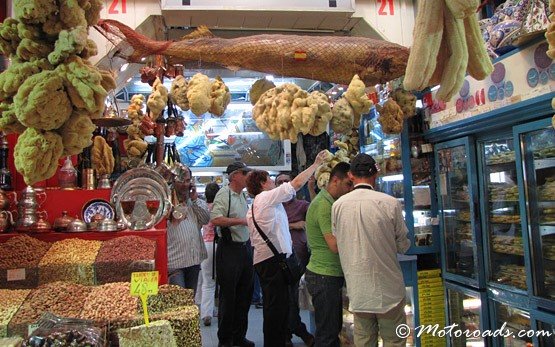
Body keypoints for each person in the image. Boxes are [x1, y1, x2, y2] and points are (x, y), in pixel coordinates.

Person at [246, 150, 328, 347]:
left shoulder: (261, 203)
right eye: (271, 179)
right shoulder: (265, 198)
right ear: (263, 184)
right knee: (275, 311)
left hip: (270, 262)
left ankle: (281, 340)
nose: (276, 183)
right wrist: (316, 164)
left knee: (279, 309)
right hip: (273, 263)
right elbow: (295, 184)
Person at [332, 153, 410, 347]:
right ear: (376, 173)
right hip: (389, 289)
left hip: (359, 289)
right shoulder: (390, 203)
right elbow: (403, 244)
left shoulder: (338, 206)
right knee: (394, 341)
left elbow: (338, 238)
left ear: (350, 175)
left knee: (364, 341)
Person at [305, 162, 353, 347]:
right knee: (328, 334)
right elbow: (334, 245)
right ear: (335, 180)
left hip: (328, 275)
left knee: (331, 331)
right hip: (324, 276)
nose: (351, 189)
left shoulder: (329, 202)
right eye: (348, 184)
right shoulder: (324, 205)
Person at [210, 161, 254, 347]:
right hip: (229, 250)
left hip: (244, 249)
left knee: (244, 295)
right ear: (235, 175)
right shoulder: (224, 194)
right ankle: (225, 340)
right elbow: (216, 219)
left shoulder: (242, 195)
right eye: (245, 173)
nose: (248, 176)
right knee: (228, 297)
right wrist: (242, 221)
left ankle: (239, 336)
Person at [275, 172, 314, 346]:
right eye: (280, 182)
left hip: (299, 259)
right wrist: (294, 225)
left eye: (286, 181)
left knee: (293, 298)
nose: (283, 184)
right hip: (279, 259)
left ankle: (289, 333)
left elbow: (314, 211)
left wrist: (312, 188)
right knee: (286, 299)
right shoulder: (273, 205)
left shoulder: (301, 205)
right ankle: (298, 331)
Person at [167, 163, 210, 294]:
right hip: (174, 263)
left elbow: (205, 219)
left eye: (187, 180)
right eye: (181, 180)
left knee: (189, 303)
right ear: (172, 181)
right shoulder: (166, 201)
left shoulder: (193, 202)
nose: (185, 185)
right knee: (179, 303)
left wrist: (195, 199)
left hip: (193, 261)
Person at [200, 182, 221, 327]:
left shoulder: (203, 208)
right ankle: (220, 309)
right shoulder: (219, 208)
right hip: (220, 245)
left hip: (205, 246)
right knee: (223, 281)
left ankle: (206, 312)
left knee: (207, 282)